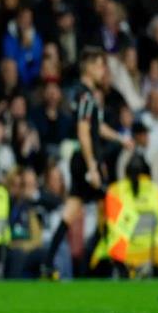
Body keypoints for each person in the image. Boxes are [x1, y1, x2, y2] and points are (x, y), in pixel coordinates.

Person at [42, 47, 132, 278]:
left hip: (83, 160)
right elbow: (83, 132)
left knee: (73, 210)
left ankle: (48, 262)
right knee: (110, 206)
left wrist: (120, 138)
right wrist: (92, 166)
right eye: (100, 65)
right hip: (85, 161)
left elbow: (96, 127)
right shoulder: (85, 96)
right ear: (89, 67)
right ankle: (118, 264)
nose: (103, 71)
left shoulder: (86, 95)